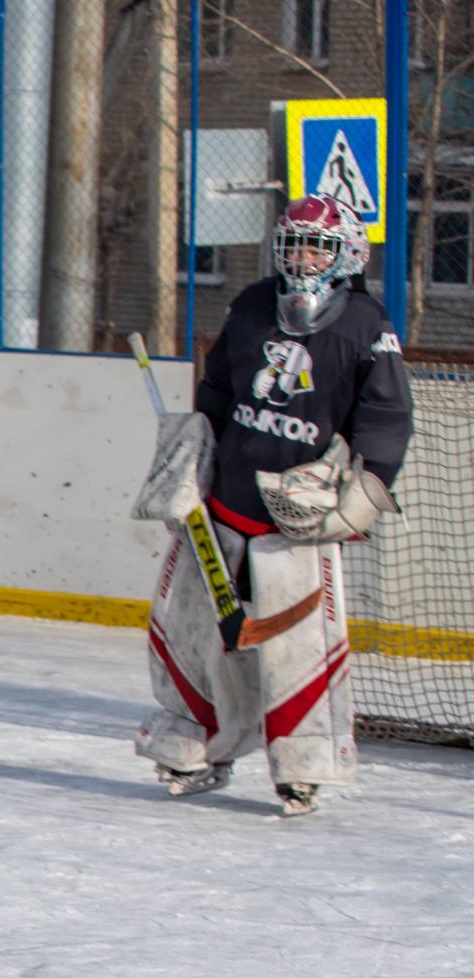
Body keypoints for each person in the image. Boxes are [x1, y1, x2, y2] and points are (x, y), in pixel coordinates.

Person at [133, 195, 413, 816]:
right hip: (225, 507)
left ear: (347, 255)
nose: (303, 255)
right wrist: (192, 450)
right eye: (293, 244)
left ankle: (303, 767)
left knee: (301, 649)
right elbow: (219, 388)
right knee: (192, 635)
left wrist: (368, 485)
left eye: (316, 245)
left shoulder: (367, 323)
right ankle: (191, 746)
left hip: (297, 520)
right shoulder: (254, 303)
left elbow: (388, 415)